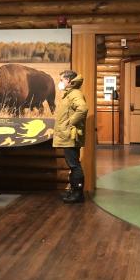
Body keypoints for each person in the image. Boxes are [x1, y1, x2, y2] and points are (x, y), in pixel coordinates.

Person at [53, 70, 88, 204]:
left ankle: (78, 193)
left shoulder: (75, 94)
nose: (60, 83)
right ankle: (74, 191)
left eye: (62, 80)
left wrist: (70, 122)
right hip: (68, 135)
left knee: (74, 165)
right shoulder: (70, 94)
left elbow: (83, 109)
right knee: (72, 164)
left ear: (68, 80)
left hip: (70, 136)